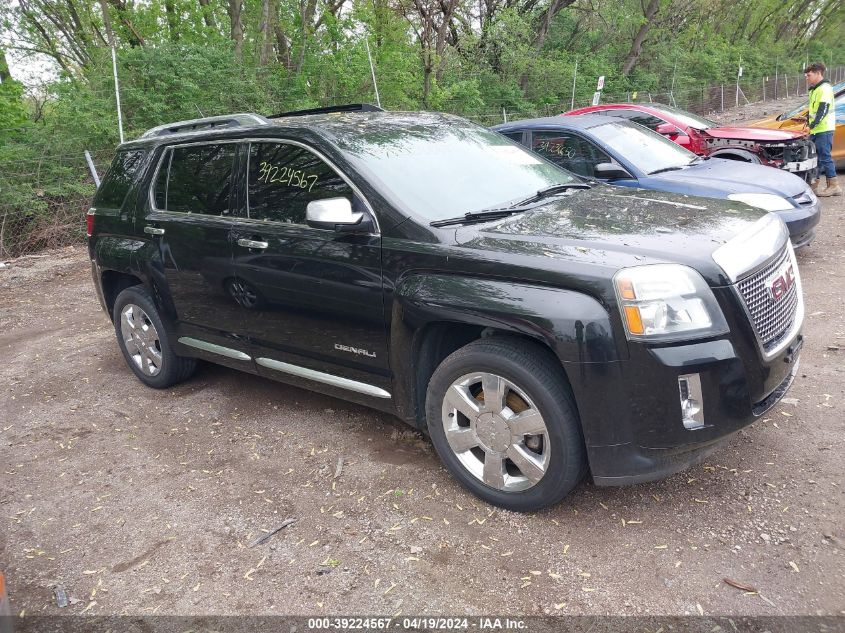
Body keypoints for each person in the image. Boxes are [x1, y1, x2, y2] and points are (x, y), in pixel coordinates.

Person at [798, 63, 840, 196]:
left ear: (818, 73)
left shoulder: (825, 89)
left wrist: (811, 126)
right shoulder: (814, 89)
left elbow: (823, 110)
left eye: (809, 75)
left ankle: (834, 186)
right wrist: (807, 121)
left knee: (825, 157)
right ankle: (814, 185)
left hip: (824, 129)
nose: (807, 77)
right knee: (815, 158)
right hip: (817, 129)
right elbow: (814, 110)